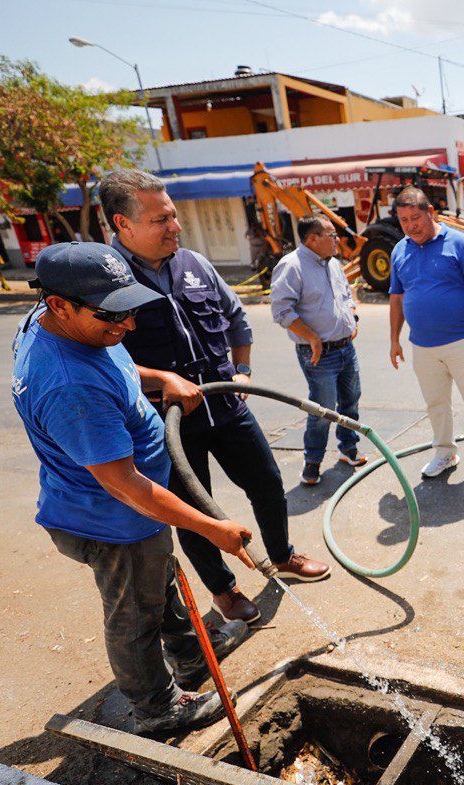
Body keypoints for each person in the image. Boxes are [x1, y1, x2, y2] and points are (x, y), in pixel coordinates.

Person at [12, 242, 252, 736]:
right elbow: (126, 486)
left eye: (129, 310)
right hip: (112, 521)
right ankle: (156, 709)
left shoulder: (67, 326)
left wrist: (160, 376)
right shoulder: (69, 384)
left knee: (159, 584)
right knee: (134, 616)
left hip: (128, 514)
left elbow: (116, 368)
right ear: (59, 304)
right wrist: (213, 529)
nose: (127, 327)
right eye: (111, 317)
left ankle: (190, 656)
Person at [99, 168, 331, 628]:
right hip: (165, 423)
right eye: (160, 220)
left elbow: (237, 321)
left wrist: (241, 370)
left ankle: (281, 555)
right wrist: (160, 378)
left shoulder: (196, 265)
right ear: (122, 225)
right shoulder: (104, 280)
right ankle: (224, 591)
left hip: (226, 405)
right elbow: (101, 360)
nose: (175, 227)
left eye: (174, 215)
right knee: (196, 510)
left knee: (266, 482)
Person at [387, 186, 464, 482]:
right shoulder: (400, 249)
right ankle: (444, 454)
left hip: (463, 341)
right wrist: (393, 340)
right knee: (436, 405)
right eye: (403, 220)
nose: (411, 226)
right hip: (422, 346)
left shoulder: (459, 243)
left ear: (430, 213)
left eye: (416, 218)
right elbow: (397, 298)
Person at [270, 214, 367, 485]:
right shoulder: (292, 266)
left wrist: (353, 318)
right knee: (323, 409)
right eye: (331, 234)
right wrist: (312, 337)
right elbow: (281, 310)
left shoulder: (333, 263)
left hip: (346, 347)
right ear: (313, 239)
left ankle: (348, 448)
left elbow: (346, 294)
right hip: (318, 353)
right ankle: (313, 460)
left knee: (350, 401)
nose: (337, 239)